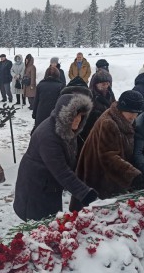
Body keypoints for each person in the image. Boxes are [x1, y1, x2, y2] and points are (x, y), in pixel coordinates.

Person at [13, 93, 98, 222]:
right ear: (65, 117)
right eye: (74, 116)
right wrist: (84, 193)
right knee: (40, 227)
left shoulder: (66, 130)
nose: (78, 120)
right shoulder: (48, 137)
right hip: (37, 188)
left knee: (52, 222)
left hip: (50, 185)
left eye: (81, 116)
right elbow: (61, 170)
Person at [76, 90, 144, 201]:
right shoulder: (109, 123)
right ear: (122, 108)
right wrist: (133, 176)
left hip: (110, 175)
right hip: (99, 175)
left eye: (137, 113)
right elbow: (108, 156)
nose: (134, 117)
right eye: (131, 113)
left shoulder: (124, 118)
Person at [78, 69, 116, 156]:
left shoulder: (110, 94)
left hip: (107, 131)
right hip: (93, 132)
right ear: (95, 84)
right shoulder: (89, 96)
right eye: (103, 84)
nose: (106, 86)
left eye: (108, 83)